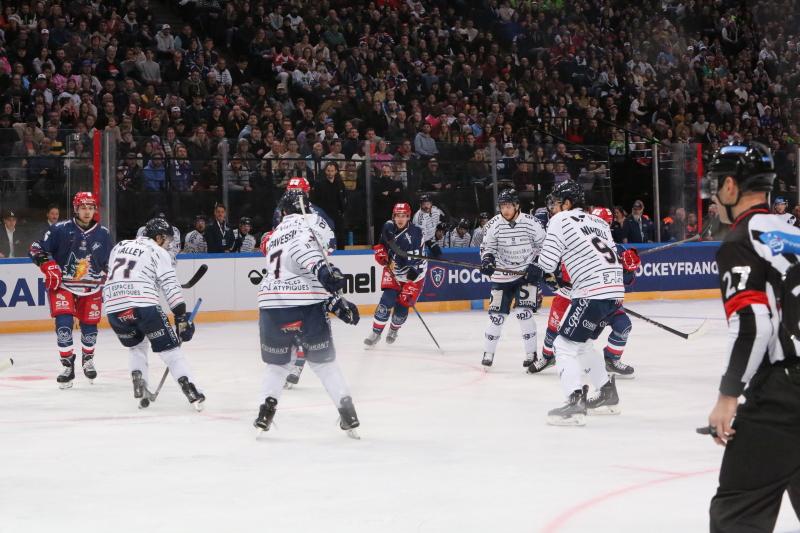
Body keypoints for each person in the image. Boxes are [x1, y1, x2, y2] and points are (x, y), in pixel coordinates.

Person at [703, 143, 800, 531]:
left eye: (715, 185)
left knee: (737, 515)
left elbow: (753, 325)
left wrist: (728, 396)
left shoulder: (742, 239)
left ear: (731, 186)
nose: (713, 196)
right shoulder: (794, 231)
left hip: (783, 397)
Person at [253, 188, 361, 437]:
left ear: (283, 211)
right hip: (304, 306)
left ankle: (265, 412)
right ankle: (348, 414)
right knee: (325, 365)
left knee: (277, 366)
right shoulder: (306, 225)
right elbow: (304, 254)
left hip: (271, 305)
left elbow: (295, 266)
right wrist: (325, 273)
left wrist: (333, 298)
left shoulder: (275, 233)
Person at [534, 181, 624, 425]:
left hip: (591, 292)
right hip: (614, 292)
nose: (553, 208)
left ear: (567, 203)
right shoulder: (599, 222)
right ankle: (607, 394)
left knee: (562, 345)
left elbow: (546, 262)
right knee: (582, 345)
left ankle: (574, 403)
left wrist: (534, 271)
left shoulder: (560, 219)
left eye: (556, 203)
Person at [104, 218, 205, 410]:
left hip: (113, 306)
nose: (168, 244)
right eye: (167, 239)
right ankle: (191, 389)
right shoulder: (158, 252)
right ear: (158, 237)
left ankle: (139, 380)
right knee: (171, 351)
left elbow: (117, 274)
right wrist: (181, 318)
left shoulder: (120, 246)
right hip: (143, 305)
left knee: (136, 347)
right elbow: (171, 287)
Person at [29, 192, 113, 388]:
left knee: (90, 326)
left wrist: (114, 276)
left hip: (92, 286)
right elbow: (35, 248)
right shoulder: (60, 229)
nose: (87, 211)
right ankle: (67, 365)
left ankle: (88, 359)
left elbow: (110, 262)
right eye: (83, 207)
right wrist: (47, 265)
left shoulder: (103, 233)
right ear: (76, 209)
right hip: (63, 285)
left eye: (91, 208)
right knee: (64, 324)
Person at [478, 189, 547, 369]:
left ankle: (531, 353)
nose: (505, 210)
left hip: (525, 275)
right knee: (496, 317)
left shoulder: (532, 223)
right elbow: (487, 247)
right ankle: (488, 352)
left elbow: (544, 246)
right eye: (502, 207)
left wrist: (537, 264)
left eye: (508, 206)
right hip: (501, 276)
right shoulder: (493, 224)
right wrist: (487, 260)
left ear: (517, 205)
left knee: (524, 313)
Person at [364, 203, 427, 347]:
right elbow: (382, 244)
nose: (400, 219)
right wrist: (381, 252)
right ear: (394, 216)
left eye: (403, 216)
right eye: (398, 216)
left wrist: (411, 281)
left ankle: (393, 330)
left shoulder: (416, 234)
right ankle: (375, 333)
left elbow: (419, 261)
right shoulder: (388, 226)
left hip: (415, 275)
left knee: (401, 307)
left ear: (408, 217)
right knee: (386, 302)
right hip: (394, 271)